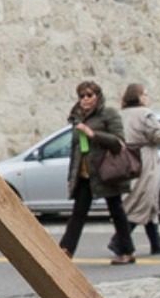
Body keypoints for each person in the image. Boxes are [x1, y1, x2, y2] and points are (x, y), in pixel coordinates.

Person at [58, 80, 137, 264]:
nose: (85, 99)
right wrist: (71, 176)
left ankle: (127, 251)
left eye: (89, 95)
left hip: (105, 171)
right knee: (78, 212)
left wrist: (93, 134)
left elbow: (119, 142)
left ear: (97, 96)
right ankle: (65, 250)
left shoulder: (108, 114)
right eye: (82, 96)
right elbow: (75, 150)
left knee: (116, 210)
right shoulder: (77, 117)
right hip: (85, 172)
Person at [118, 83, 160, 256]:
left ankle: (156, 242)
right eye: (144, 94)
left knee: (149, 199)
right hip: (145, 158)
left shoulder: (122, 114)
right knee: (143, 197)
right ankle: (119, 239)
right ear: (138, 96)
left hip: (129, 157)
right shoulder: (145, 114)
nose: (147, 97)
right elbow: (158, 136)